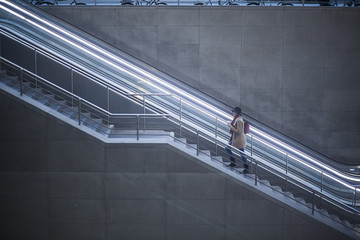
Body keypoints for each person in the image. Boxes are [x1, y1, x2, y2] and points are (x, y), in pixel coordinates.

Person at [225, 107, 249, 173]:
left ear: (236, 113)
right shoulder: (237, 119)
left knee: (242, 154)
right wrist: (230, 124)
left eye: (234, 112)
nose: (233, 113)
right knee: (228, 148)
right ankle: (233, 163)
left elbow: (238, 131)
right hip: (236, 139)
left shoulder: (239, 120)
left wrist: (230, 125)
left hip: (239, 140)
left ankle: (245, 168)